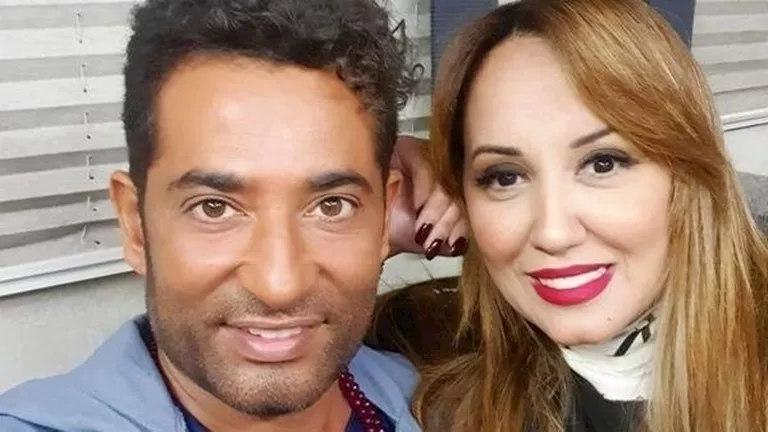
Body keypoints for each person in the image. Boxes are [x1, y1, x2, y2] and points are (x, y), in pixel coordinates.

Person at [0, 0, 467, 431]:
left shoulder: (432, 402)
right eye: (214, 207)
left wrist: (481, 202)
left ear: (383, 217)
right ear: (136, 225)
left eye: (332, 205)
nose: (279, 285)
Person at [398, 0, 768, 431]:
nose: (553, 233)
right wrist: (363, 200)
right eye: (505, 177)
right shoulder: (421, 367)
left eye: (602, 163)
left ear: (687, 171)